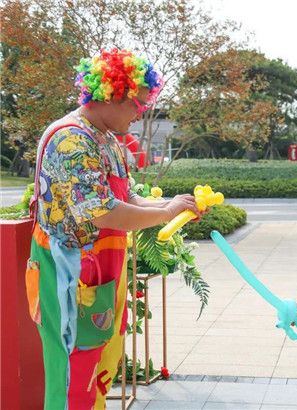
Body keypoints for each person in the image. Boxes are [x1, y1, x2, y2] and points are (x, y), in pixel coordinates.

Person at [26, 48, 200, 409]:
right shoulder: (72, 139)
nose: (140, 113)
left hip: (99, 274)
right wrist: (166, 212)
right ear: (111, 94)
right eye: (137, 104)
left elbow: (129, 198)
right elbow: (103, 213)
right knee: (72, 372)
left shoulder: (106, 138)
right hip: (67, 275)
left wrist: (173, 206)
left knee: (97, 369)